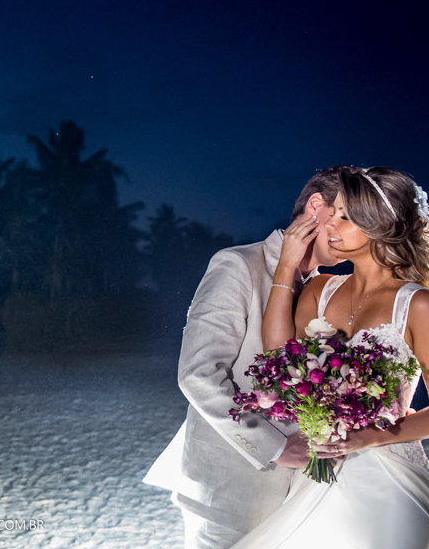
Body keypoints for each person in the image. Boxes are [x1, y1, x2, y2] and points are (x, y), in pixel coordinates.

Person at [233, 166, 429, 548]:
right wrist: (287, 265)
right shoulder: (321, 289)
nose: (329, 225)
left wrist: (368, 438)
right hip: (319, 472)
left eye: (344, 217)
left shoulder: (417, 305)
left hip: (387, 476)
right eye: (332, 213)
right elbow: (278, 356)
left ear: (379, 226)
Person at [143, 168, 344, 548]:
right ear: (317, 206)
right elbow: (198, 374)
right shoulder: (239, 264)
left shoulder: (326, 289)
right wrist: (277, 447)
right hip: (230, 492)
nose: (358, 235)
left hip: (300, 495)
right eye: (351, 218)